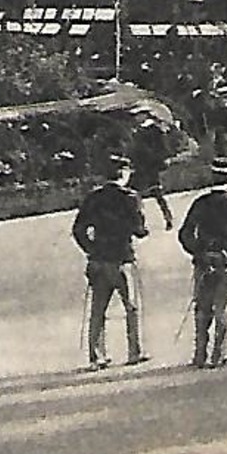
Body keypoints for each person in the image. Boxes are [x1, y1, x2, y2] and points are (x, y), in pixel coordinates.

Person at [72, 156, 150, 371]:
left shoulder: (93, 198)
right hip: (123, 257)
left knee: (98, 309)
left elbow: (78, 229)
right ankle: (135, 351)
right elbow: (139, 228)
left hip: (98, 259)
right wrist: (142, 231)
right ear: (123, 174)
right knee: (131, 306)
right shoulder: (130, 198)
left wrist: (91, 248)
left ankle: (96, 356)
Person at [177, 153, 227, 369]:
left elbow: (185, 234)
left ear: (211, 176)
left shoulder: (200, 204)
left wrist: (198, 253)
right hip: (226, 263)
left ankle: (200, 354)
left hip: (203, 261)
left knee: (202, 308)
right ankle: (218, 355)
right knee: (222, 308)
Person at [127, 112, 177, 231]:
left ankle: (167, 218)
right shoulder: (137, 131)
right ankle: (140, 223)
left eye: (139, 115)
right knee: (136, 195)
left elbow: (162, 150)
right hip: (141, 168)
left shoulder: (154, 131)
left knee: (154, 193)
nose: (136, 118)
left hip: (150, 167)